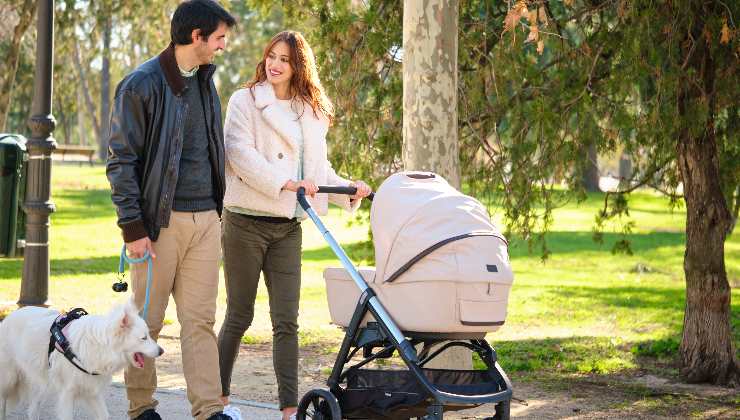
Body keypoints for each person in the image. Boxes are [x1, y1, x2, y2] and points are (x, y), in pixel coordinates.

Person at [217, 30, 372, 420]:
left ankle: (289, 410)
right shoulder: (246, 100)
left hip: (288, 225)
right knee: (239, 314)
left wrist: (348, 189)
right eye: (272, 55)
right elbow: (239, 154)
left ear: (298, 65)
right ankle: (215, 400)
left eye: (284, 59)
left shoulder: (311, 111)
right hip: (245, 220)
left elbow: (317, 172)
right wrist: (285, 183)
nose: (275, 64)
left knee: (287, 321)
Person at [105, 1, 236, 419]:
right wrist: (133, 228)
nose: (222, 47)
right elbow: (121, 161)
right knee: (148, 323)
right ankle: (142, 408)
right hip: (159, 226)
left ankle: (209, 410)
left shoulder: (205, 82)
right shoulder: (141, 84)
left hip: (205, 221)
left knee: (200, 323)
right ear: (196, 37)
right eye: (218, 39)